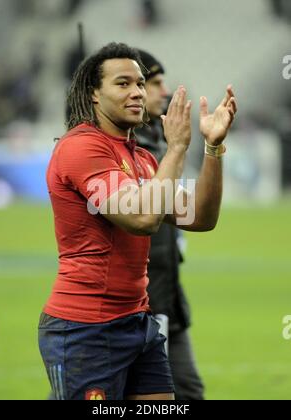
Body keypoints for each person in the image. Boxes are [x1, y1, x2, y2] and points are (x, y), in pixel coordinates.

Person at [38, 42, 237, 400]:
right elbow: (143, 219)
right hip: (85, 329)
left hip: (137, 321)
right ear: (93, 94)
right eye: (122, 83)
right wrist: (176, 149)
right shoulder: (81, 148)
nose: (137, 92)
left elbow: (203, 217)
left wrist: (213, 148)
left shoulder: (143, 159)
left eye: (141, 83)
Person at [135, 49, 204, 400]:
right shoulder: (121, 150)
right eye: (155, 82)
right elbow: (147, 217)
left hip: (168, 293)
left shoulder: (160, 142)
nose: (164, 91)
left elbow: (195, 216)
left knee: (189, 390)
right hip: (133, 303)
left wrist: (214, 148)